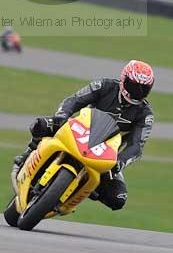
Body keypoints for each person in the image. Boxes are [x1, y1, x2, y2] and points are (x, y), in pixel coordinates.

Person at [12, 59, 154, 210]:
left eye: (143, 89)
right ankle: (28, 152)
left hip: (105, 155)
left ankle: (85, 189)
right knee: (41, 125)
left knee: (117, 199)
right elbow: (74, 100)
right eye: (133, 86)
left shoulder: (145, 115)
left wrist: (119, 163)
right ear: (123, 79)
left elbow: (136, 146)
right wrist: (62, 116)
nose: (136, 93)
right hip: (78, 132)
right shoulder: (104, 86)